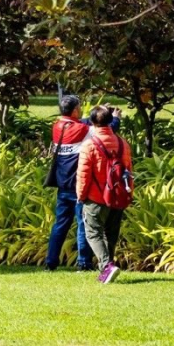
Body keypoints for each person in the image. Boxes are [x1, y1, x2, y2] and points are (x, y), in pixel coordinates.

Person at [42, 95, 105, 272]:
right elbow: (103, 129)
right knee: (83, 224)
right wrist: (112, 117)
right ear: (75, 110)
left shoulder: (58, 126)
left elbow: (80, 122)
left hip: (62, 185)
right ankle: (84, 263)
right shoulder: (83, 130)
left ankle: (50, 262)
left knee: (60, 224)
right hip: (78, 186)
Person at [77, 104, 134, 285]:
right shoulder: (122, 143)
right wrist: (128, 193)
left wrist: (81, 195)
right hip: (117, 196)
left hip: (96, 197)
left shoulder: (89, 145)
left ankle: (107, 266)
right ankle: (107, 268)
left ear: (92, 122)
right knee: (111, 233)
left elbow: (84, 175)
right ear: (111, 121)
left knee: (93, 232)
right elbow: (128, 170)